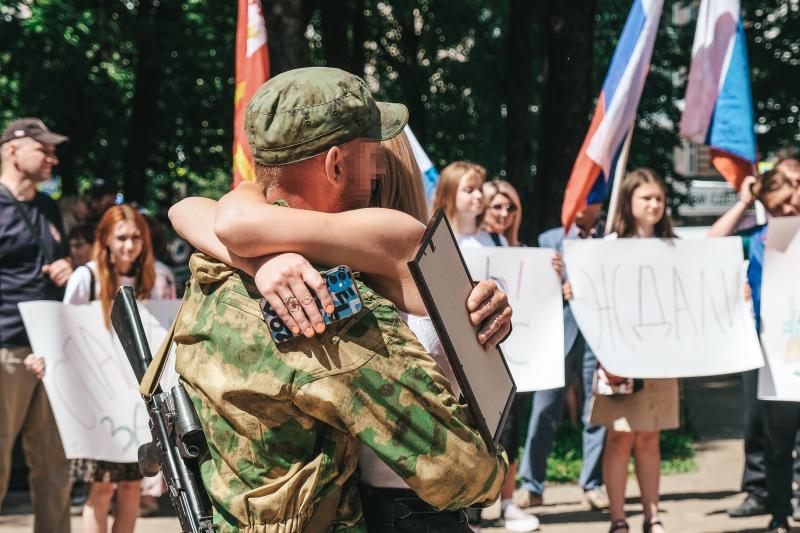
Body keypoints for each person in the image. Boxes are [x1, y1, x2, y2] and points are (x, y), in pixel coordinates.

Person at [162, 67, 510, 532]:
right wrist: (496, 469)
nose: (379, 169)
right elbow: (462, 474)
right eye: (372, 155)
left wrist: (256, 260)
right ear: (335, 165)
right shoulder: (324, 304)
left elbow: (202, 210)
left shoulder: (209, 269)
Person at [26, 204, 173, 533]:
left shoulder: (158, 277)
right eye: (121, 237)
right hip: (98, 398)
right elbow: (64, 331)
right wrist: (44, 359)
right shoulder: (87, 277)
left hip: (138, 397)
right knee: (101, 488)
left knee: (132, 487)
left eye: (136, 237)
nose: (129, 246)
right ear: (106, 239)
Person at [581, 168, 678, 533]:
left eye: (659, 198)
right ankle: (618, 519)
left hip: (661, 357)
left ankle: (653, 516)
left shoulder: (674, 247)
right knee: (619, 437)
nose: (654, 204)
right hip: (618, 357)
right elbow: (589, 296)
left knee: (651, 436)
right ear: (629, 201)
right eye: (646, 198)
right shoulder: (608, 247)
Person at [708, 168, 800, 524]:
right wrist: (744, 201)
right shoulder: (758, 238)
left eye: (790, 200)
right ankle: (777, 510)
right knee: (774, 434)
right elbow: (713, 242)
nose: (787, 210)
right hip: (772, 349)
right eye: (777, 207)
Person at [0, 117, 73, 533]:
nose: (53, 158)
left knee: (54, 465)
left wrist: (67, 267)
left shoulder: (47, 207)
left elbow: (57, 262)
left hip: (50, 348)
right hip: (7, 348)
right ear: (11, 151)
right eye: (43, 150)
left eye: (54, 151)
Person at [515, 194, 609, 513]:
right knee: (544, 409)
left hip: (598, 336)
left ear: (600, 204)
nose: (583, 204)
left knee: (597, 410)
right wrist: (557, 286)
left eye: (590, 198)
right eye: (577, 196)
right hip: (557, 337)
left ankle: (593, 484)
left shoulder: (612, 238)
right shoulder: (549, 241)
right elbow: (531, 290)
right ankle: (532, 485)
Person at [478, 179, 541, 532]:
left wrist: (554, 276)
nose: (504, 213)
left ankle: (507, 502)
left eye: (510, 207)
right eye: (496, 206)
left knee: (511, 427)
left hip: (514, 357)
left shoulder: (521, 251)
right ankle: (473, 510)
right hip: (480, 352)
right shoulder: (470, 243)